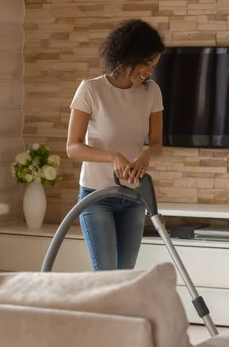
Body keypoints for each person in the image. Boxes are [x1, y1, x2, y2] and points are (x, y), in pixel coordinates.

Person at [66, 19, 165, 271]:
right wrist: (113, 157)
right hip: (96, 196)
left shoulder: (151, 92)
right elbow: (73, 148)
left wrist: (145, 155)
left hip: (132, 197)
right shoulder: (90, 90)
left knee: (125, 278)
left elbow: (156, 144)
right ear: (127, 56)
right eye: (146, 63)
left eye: (153, 64)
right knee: (107, 276)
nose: (150, 71)